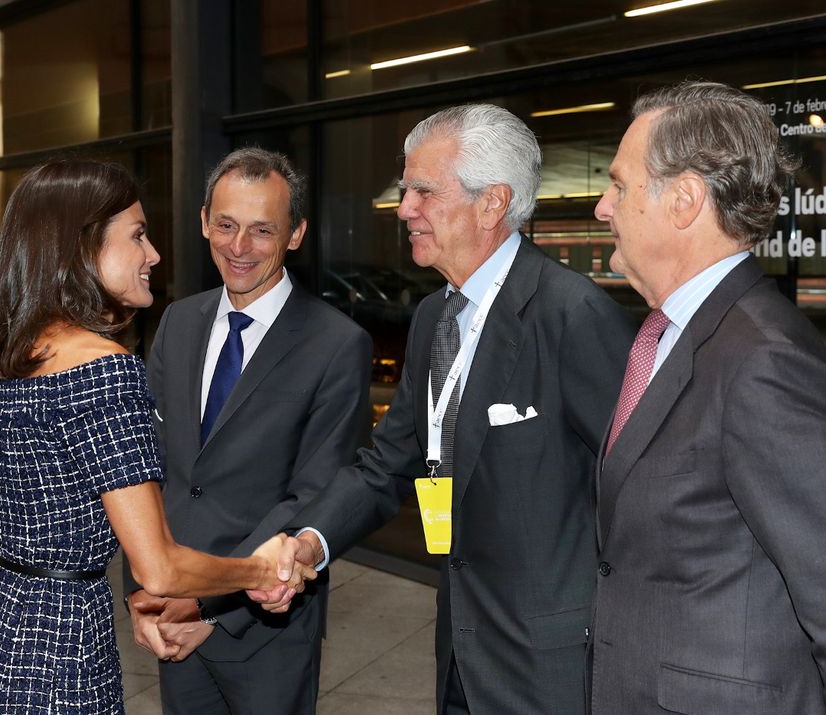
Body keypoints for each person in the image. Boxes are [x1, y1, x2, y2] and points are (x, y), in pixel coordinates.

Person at [258, 103, 636, 714]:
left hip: (551, 665)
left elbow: (632, 491)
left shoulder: (572, 316)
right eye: (407, 190)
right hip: (459, 649)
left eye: (423, 191)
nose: (404, 208)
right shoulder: (436, 316)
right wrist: (309, 541)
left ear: (492, 203)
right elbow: (387, 463)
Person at [0, 160, 314, 715]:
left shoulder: (4, 361)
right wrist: (259, 570)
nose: (152, 254)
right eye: (136, 236)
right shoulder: (107, 373)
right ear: (83, 250)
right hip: (61, 658)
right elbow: (157, 568)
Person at [587, 81, 826, 713]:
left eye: (619, 185)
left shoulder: (761, 359)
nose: (602, 208)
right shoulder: (672, 334)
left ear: (685, 200)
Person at [123, 148, 373, 714]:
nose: (239, 248)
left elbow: (315, 493)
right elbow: (148, 466)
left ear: (296, 235)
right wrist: (148, 590)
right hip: (171, 612)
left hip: (264, 627)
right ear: (204, 220)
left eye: (263, 231)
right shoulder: (178, 322)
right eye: (227, 225)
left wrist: (207, 608)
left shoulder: (336, 345)